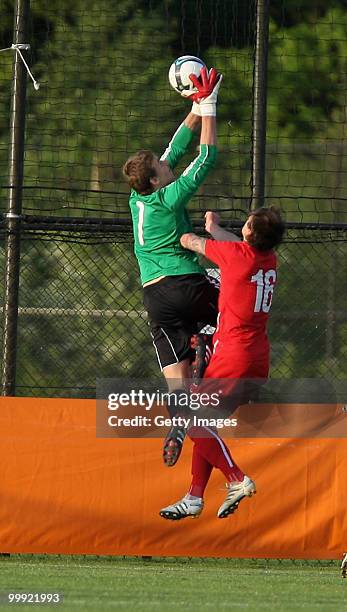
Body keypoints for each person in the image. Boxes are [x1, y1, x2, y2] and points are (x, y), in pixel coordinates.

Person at [123, 67, 222, 466]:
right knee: (231, 291)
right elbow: (205, 156)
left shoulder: (138, 200)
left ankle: (178, 422)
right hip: (188, 284)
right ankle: (210, 344)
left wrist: (195, 107)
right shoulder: (170, 197)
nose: (169, 166)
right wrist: (211, 105)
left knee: (175, 377)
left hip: (155, 297)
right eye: (163, 168)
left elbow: (176, 148)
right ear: (156, 180)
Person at [160, 206, 285, 520]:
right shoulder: (268, 259)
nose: (242, 226)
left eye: (246, 224)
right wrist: (214, 226)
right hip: (258, 357)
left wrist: (170, 228)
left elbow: (190, 241)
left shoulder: (237, 257)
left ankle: (236, 479)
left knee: (190, 417)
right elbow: (233, 246)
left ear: (249, 234)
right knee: (207, 424)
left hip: (234, 355)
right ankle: (194, 496)